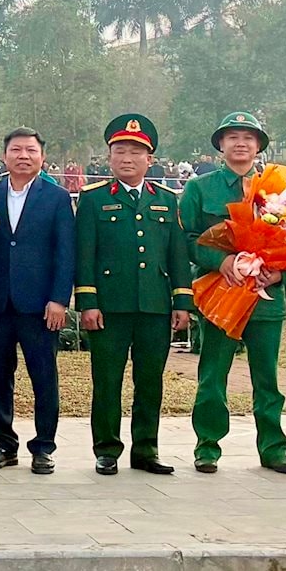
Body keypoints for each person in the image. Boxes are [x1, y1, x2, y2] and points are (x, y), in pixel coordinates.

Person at [74, 114, 191, 475]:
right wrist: (88, 303)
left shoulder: (168, 200)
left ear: (150, 159)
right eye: (119, 151)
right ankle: (106, 449)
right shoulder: (93, 200)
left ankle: (146, 449)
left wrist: (182, 301)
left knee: (150, 382)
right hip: (109, 307)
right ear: (109, 157)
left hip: (155, 307)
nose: (127, 158)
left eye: (136, 152)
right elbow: (85, 255)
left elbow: (178, 255)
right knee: (107, 381)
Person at [180, 112, 286, 475]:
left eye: (248, 137)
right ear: (220, 145)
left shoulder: (279, 189)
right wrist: (222, 259)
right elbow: (184, 240)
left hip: (265, 298)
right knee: (213, 375)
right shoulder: (200, 188)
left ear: (259, 145)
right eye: (232, 137)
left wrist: (278, 271)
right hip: (222, 294)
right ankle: (208, 446)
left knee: (268, 378)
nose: (241, 143)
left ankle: (274, 448)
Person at [0, 128, 73, 474]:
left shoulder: (56, 198)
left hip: (40, 305)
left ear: (42, 156)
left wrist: (59, 299)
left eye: (30, 150)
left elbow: (65, 253)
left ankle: (43, 446)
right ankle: (3, 443)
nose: (23, 156)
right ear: (4, 156)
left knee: (43, 376)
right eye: (16, 150)